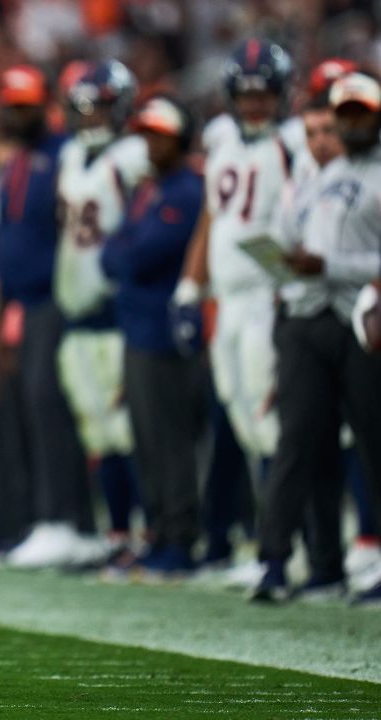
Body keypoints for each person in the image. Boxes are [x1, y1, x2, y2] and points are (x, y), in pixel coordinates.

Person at [256, 72, 381, 606]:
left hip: (361, 321)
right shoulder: (320, 176)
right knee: (299, 441)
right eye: (341, 115)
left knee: (375, 444)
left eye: (358, 115)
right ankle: (282, 560)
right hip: (308, 320)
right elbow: (297, 246)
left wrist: (326, 266)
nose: (346, 127)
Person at [0, 65, 95, 568]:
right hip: (23, 302)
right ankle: (48, 519)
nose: (16, 114)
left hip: (56, 297)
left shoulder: (63, 156)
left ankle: (66, 521)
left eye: (26, 105)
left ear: (46, 105)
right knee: (32, 407)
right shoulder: (18, 163)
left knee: (50, 406)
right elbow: (5, 245)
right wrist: (1, 319)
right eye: (11, 105)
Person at [176, 40, 297, 519]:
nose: (255, 104)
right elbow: (214, 215)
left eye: (264, 93)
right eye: (246, 94)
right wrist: (190, 285)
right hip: (227, 298)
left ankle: (285, 543)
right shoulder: (222, 137)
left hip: (268, 296)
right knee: (241, 414)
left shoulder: (293, 142)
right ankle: (267, 538)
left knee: (270, 421)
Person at [101, 95, 208, 578]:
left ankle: (180, 539)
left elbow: (135, 255)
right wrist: (125, 250)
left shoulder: (186, 190)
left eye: (160, 135)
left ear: (181, 138)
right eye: (146, 134)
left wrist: (125, 250)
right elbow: (112, 255)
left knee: (170, 441)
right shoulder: (151, 189)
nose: (150, 143)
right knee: (147, 440)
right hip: (138, 327)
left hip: (166, 333)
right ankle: (161, 532)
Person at [51, 59, 148, 567]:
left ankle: (146, 531)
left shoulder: (134, 156)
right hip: (77, 314)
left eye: (100, 107)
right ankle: (116, 534)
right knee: (98, 432)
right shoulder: (69, 156)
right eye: (82, 109)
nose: (90, 118)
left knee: (128, 430)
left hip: (115, 312)